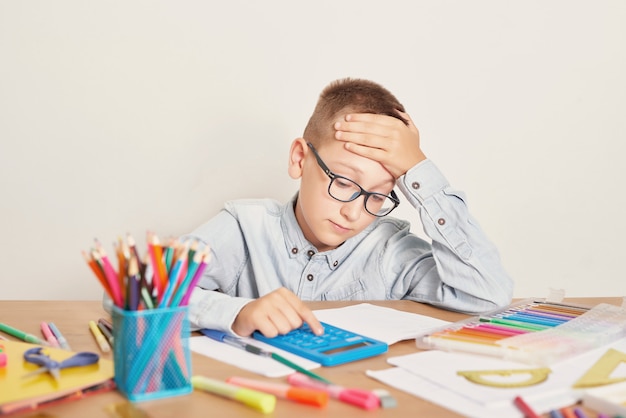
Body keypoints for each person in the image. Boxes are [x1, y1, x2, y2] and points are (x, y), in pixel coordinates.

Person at [182, 78, 513, 338]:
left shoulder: (390, 253)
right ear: (300, 158)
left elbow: (488, 293)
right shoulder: (245, 229)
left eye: (378, 197)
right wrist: (236, 313)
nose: (354, 214)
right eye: (342, 183)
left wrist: (419, 170)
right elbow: (150, 293)